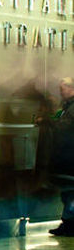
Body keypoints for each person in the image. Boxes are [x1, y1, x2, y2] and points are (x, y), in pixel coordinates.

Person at [48, 77, 74, 236]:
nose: (60, 91)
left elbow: (66, 127)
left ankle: (69, 225)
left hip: (70, 155)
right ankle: (68, 224)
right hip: (66, 156)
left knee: (70, 192)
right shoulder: (67, 107)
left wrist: (49, 122)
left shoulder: (71, 108)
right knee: (68, 192)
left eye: (63, 88)